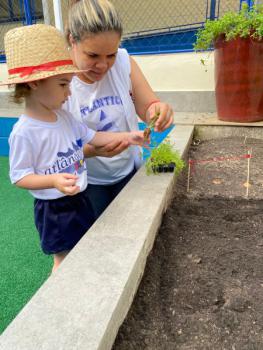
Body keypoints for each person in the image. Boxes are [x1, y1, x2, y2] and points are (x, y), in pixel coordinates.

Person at [3, 24, 147, 272]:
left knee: (85, 249)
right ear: (35, 83)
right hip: (55, 209)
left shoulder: (65, 118)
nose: (69, 93)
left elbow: (95, 137)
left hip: (80, 197)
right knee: (63, 260)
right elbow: (19, 176)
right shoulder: (24, 132)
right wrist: (53, 181)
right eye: (63, 85)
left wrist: (132, 136)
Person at [63, 0, 174, 219]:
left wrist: (157, 111)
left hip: (127, 171)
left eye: (110, 55)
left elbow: (148, 106)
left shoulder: (124, 62)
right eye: (93, 56)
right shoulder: (59, 82)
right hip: (87, 182)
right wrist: (92, 151)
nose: (103, 65)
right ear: (72, 41)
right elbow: (55, 153)